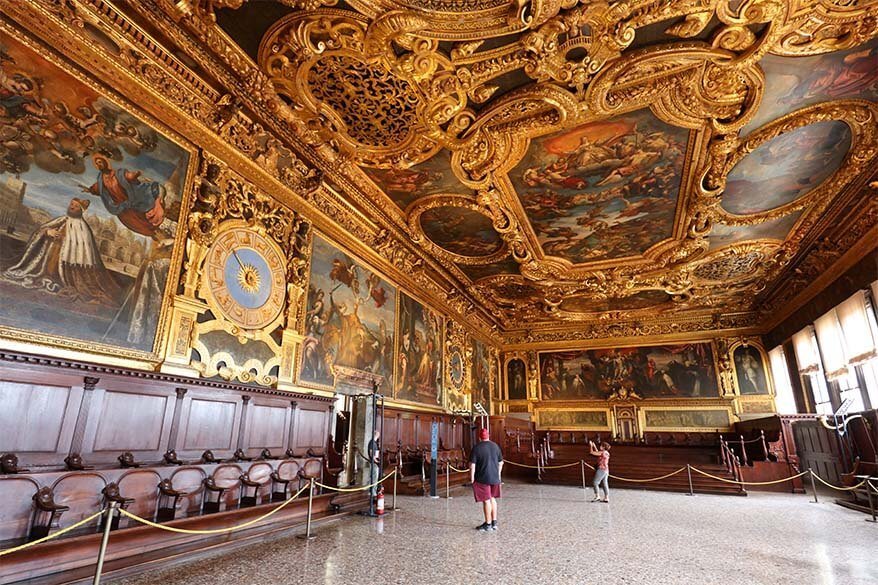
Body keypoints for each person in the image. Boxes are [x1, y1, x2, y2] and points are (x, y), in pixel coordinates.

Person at [3, 197, 119, 303]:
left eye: (75, 206)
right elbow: (42, 229)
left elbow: (85, 252)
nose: (72, 207)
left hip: (67, 268)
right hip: (47, 261)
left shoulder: (84, 229)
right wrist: (48, 232)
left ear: (81, 210)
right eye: (71, 204)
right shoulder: (62, 220)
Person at [469, 427, 503, 532]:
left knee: (486, 501)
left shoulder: (476, 448)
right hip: (494, 477)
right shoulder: (495, 446)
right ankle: (494, 522)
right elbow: (501, 462)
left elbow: (472, 465)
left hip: (482, 478)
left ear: (479, 437)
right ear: (488, 435)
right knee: (493, 499)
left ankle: (488, 524)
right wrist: (498, 474)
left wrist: (472, 478)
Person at [367, 429, 381, 496]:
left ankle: (373, 491)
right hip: (373, 463)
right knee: (374, 478)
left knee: (374, 477)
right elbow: (371, 453)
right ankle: (372, 492)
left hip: (374, 462)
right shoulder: (372, 443)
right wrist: (376, 461)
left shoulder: (374, 443)